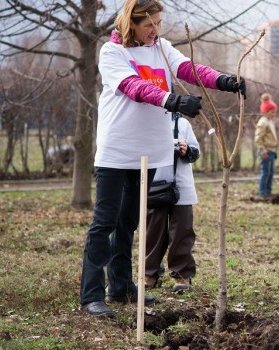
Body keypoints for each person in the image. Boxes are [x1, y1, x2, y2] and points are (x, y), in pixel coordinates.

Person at [80, 0, 245, 318]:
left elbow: (189, 69)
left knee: (129, 222)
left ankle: (122, 287)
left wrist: (224, 81)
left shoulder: (161, 47)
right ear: (132, 23)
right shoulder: (112, 53)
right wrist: (172, 100)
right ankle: (92, 295)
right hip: (117, 151)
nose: (155, 30)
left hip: (151, 152)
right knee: (105, 223)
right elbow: (134, 87)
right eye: (149, 25)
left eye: (158, 23)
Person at [145, 113, 200, 293]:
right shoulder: (145, 121)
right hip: (154, 185)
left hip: (180, 186)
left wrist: (186, 150)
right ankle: (149, 274)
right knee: (153, 232)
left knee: (182, 232)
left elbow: (195, 152)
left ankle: (182, 275)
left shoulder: (182, 123)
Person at [254, 93, 278, 197]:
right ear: (267, 112)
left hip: (271, 151)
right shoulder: (263, 122)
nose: (274, 115)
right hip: (266, 151)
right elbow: (258, 138)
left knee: (270, 173)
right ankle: (263, 193)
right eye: (272, 112)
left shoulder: (269, 121)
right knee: (265, 172)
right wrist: (262, 150)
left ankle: (268, 191)